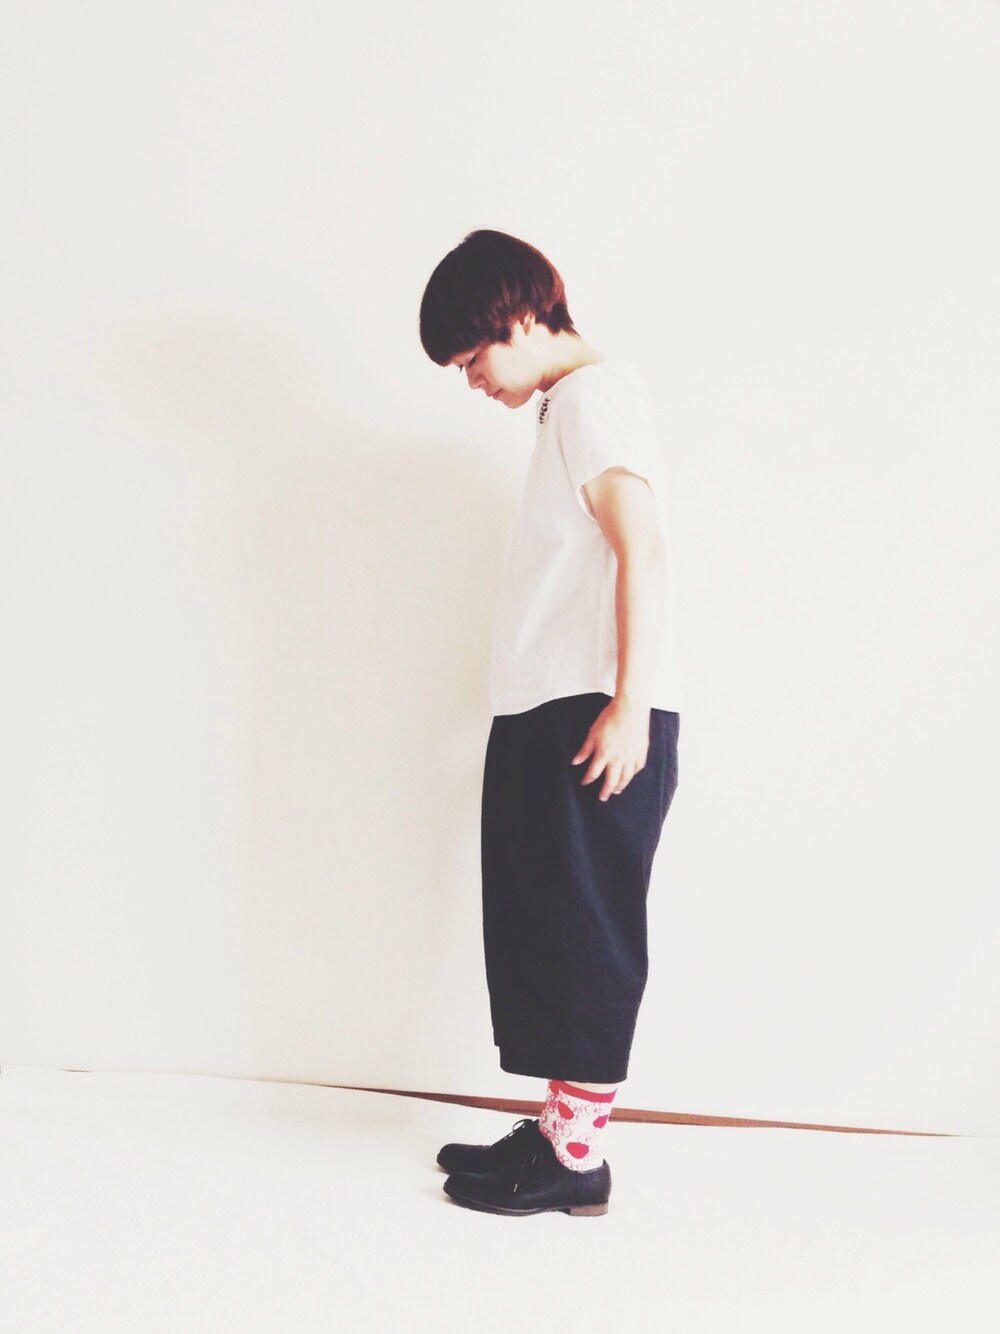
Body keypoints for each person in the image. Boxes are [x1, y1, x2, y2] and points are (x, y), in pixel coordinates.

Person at [418, 228, 681, 1217]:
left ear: (523, 316)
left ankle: (577, 1157)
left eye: (473, 356)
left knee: (586, 924)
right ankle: (557, 1126)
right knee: (549, 918)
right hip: (559, 701)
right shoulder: (571, 405)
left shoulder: (593, 398)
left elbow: (641, 547)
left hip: (591, 703)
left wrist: (629, 700)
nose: (472, 380)